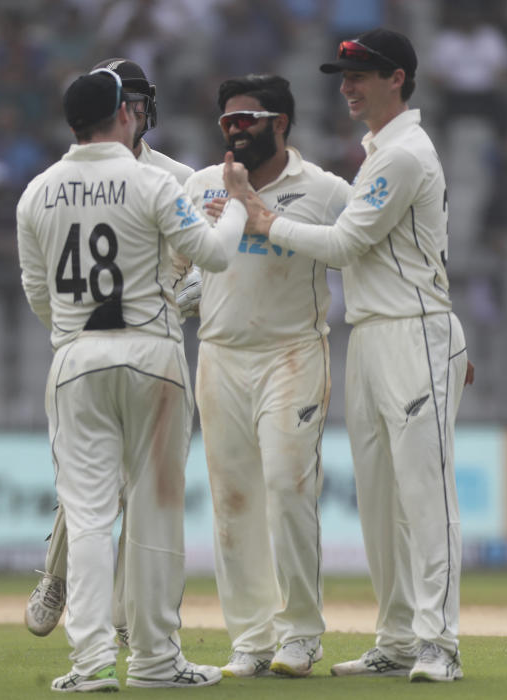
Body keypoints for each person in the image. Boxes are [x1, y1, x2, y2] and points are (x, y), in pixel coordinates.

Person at [16, 68, 254, 691]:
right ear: (126, 114)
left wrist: (75, 334)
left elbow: (38, 293)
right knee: (154, 515)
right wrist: (233, 208)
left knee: (88, 515)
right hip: (152, 354)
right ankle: (154, 661)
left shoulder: (35, 193)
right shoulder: (151, 181)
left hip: (75, 359)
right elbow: (216, 255)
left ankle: (90, 664)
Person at [252, 28, 473, 682]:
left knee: (425, 495)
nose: (346, 88)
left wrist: (267, 223)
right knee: (380, 497)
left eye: (360, 76)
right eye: (342, 77)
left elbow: (345, 244)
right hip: (377, 334)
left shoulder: (405, 154)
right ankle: (400, 637)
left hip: (412, 332)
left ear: (397, 79)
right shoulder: (382, 152)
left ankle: (441, 644)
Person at [182, 74, 351, 679]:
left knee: (286, 487)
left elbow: (358, 252)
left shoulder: (324, 189)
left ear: (280, 122)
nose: (234, 131)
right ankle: (251, 639)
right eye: (227, 121)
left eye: (247, 120)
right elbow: (180, 265)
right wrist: (183, 288)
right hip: (219, 354)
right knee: (233, 502)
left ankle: (301, 632)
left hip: (292, 354)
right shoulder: (201, 184)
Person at [24, 57, 194, 643]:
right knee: (96, 487)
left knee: (136, 491)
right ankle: (59, 577)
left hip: (153, 338)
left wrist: (179, 296)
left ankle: (121, 622)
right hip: (100, 344)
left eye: (145, 99)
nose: (139, 110)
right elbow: (42, 287)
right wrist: (80, 325)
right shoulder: (66, 180)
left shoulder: (175, 175)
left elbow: (201, 273)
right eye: (132, 100)